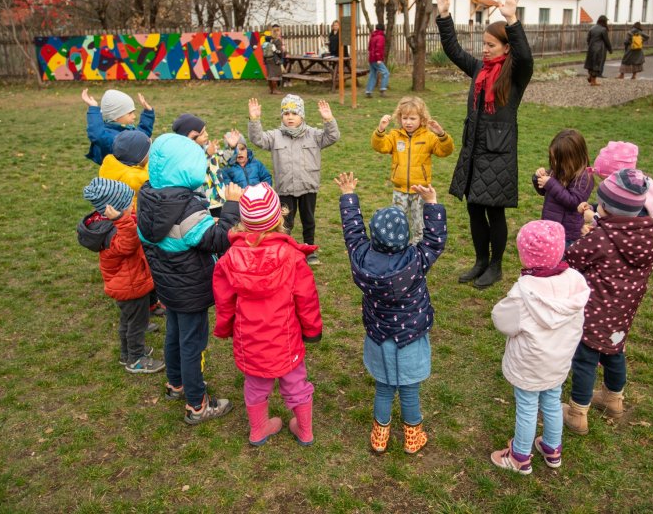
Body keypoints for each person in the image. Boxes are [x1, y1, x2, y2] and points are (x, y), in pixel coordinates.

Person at [335, 172, 447, 455]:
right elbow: (435, 240)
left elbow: (352, 231)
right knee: (410, 390)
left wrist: (349, 195)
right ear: (405, 236)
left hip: (379, 336)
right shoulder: (416, 260)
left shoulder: (360, 256)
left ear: (374, 236)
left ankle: (380, 436)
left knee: (384, 389)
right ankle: (412, 437)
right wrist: (431, 203)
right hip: (410, 336)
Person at [136, 133, 243, 425]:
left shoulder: (148, 195)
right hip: (191, 288)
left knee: (174, 333)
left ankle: (175, 383)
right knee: (192, 344)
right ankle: (197, 404)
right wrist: (231, 207)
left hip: (168, 284)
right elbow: (217, 239)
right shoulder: (187, 208)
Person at [436, 0, 534, 289]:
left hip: (499, 154)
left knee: (495, 211)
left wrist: (513, 20)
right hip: (475, 150)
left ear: (506, 47)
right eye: (484, 43)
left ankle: (495, 266)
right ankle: (480, 261)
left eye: (491, 44)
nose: (485, 48)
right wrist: (444, 16)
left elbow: (527, 57)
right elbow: (453, 51)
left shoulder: (516, 75)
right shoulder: (479, 69)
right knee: (474, 207)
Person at [213, 183, 323, 446]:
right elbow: (307, 298)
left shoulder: (230, 257)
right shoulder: (291, 256)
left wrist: (225, 327)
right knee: (295, 380)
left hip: (249, 337)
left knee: (256, 383)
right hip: (285, 337)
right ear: (279, 217)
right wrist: (312, 330)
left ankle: (259, 428)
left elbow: (224, 300)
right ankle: (304, 430)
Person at [561, 169, 653, 435]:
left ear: (608, 208)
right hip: (623, 313)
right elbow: (617, 239)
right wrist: (598, 224)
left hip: (594, 312)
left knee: (585, 359)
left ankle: (577, 413)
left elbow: (571, 257)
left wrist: (587, 233)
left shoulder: (601, 238)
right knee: (614, 352)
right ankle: (614, 399)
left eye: (601, 203)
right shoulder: (649, 236)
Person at [490, 221, 589, 475]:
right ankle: (552, 448)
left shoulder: (524, 293)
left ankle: (520, 456)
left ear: (525, 256)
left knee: (527, 406)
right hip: (558, 360)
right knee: (553, 402)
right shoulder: (576, 283)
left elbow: (502, 321)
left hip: (529, 365)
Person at [77, 178, 165, 374]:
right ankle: (136, 359)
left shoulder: (104, 225)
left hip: (124, 284)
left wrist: (124, 217)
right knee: (137, 324)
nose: (132, 206)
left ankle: (127, 353)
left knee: (127, 321)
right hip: (131, 286)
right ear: (113, 211)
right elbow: (129, 243)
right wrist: (123, 219)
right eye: (128, 205)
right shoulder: (115, 231)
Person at [248, 94, 340, 266]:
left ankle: (310, 249)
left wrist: (329, 120)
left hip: (308, 187)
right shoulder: (275, 136)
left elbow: (333, 137)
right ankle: (285, 249)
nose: (290, 117)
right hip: (285, 188)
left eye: (294, 113)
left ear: (302, 116)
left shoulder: (313, 134)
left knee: (308, 219)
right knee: (285, 221)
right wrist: (254, 120)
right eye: (286, 113)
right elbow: (257, 139)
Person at [98, 129, 166, 320]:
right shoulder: (131, 177)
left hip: (130, 222)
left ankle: (151, 303)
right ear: (137, 157)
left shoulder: (113, 164)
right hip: (135, 224)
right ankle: (142, 309)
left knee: (146, 266)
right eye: (148, 151)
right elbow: (154, 178)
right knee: (144, 265)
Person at [370, 96, 454, 242]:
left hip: (420, 191)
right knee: (397, 221)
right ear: (400, 118)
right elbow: (380, 146)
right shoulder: (395, 136)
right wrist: (381, 130)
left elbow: (445, 151)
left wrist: (441, 134)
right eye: (405, 118)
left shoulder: (428, 137)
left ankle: (418, 251)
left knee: (419, 223)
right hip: (399, 190)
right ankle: (397, 248)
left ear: (422, 119)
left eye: (412, 118)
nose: (408, 122)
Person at [531, 129, 595, 247]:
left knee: (562, 262)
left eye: (558, 159)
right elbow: (543, 191)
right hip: (550, 228)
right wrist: (538, 178)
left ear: (572, 157)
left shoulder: (585, 178)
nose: (554, 162)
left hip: (567, 234)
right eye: (553, 158)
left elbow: (574, 202)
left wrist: (550, 183)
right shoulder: (559, 169)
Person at [171, 113, 227, 218]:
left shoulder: (208, 147)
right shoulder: (185, 155)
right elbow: (195, 170)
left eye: (205, 130)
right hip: (204, 201)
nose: (206, 134)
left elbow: (226, 161)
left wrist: (231, 148)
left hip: (218, 198)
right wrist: (208, 155)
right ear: (190, 137)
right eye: (202, 133)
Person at [591, 141, 653, 218]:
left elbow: (619, 226)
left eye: (606, 179)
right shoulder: (622, 190)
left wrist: (595, 217)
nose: (607, 185)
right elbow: (609, 204)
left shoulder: (635, 205)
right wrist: (592, 207)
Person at [81, 89, 155, 165]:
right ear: (116, 117)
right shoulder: (112, 138)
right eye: (130, 113)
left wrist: (148, 113)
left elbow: (142, 138)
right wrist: (94, 108)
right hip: (119, 176)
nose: (134, 116)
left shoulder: (125, 130)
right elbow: (97, 134)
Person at [584, 15, 612, 86]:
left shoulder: (592, 28)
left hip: (591, 49)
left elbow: (588, 39)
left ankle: (590, 77)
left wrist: (590, 45)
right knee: (597, 65)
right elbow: (606, 41)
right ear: (604, 21)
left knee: (591, 64)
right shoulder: (603, 29)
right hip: (599, 50)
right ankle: (593, 81)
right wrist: (610, 49)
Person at [366, 23, 389, 98]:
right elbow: (378, 48)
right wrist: (379, 59)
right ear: (383, 29)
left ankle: (368, 91)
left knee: (373, 74)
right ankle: (382, 89)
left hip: (371, 58)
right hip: (376, 59)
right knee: (386, 73)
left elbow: (369, 48)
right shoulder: (381, 37)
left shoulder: (373, 36)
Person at [264, 24, 286, 94]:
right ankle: (275, 90)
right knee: (275, 75)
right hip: (275, 60)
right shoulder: (278, 41)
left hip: (268, 59)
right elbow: (279, 52)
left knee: (270, 75)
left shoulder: (270, 40)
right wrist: (282, 53)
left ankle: (271, 89)